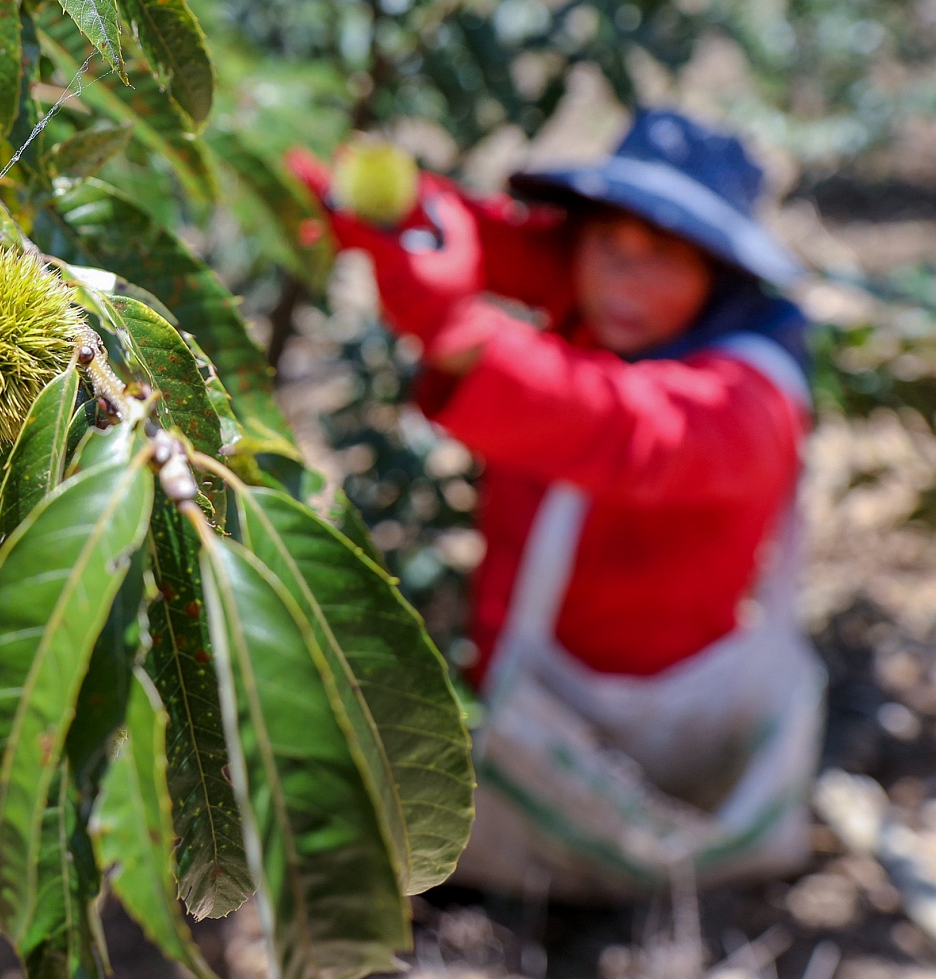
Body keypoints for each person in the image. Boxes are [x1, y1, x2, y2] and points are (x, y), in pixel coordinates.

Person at [291, 110, 822, 901]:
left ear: (716, 272)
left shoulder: (749, 404)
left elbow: (618, 424)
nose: (624, 279)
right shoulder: (613, 293)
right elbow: (495, 237)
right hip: (540, 667)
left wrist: (458, 333)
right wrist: (386, 201)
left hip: (649, 712)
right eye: (610, 245)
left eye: (664, 255)